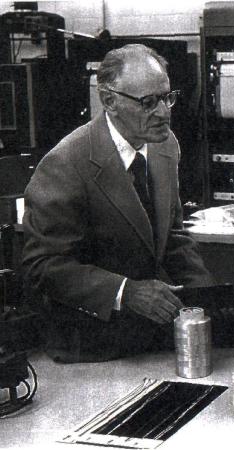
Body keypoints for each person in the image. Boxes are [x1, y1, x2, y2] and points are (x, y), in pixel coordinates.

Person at [22, 44, 216, 363]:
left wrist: (207, 296)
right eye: (148, 102)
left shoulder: (165, 145)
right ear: (109, 101)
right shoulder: (66, 163)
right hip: (89, 345)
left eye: (168, 97)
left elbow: (173, 237)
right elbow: (42, 267)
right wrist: (126, 292)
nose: (164, 112)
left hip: (149, 338)